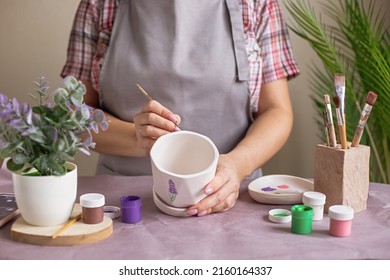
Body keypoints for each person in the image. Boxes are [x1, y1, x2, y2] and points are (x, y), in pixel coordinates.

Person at [61, 0, 300, 217]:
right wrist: (136, 137)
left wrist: (238, 165)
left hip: (228, 195)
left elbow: (276, 111)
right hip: (125, 201)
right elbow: (72, 114)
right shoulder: (99, 4)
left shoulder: (257, 4)